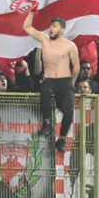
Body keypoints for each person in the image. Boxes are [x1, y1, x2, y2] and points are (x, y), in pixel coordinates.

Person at [23, 11, 79, 154]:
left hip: (65, 81)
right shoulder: (44, 41)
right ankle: (47, 123)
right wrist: (32, 12)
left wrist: (71, 83)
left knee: (69, 110)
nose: (51, 29)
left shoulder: (70, 45)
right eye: (50, 26)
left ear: (62, 30)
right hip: (49, 80)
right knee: (45, 91)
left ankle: (61, 138)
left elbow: (76, 67)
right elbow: (27, 27)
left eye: (54, 26)